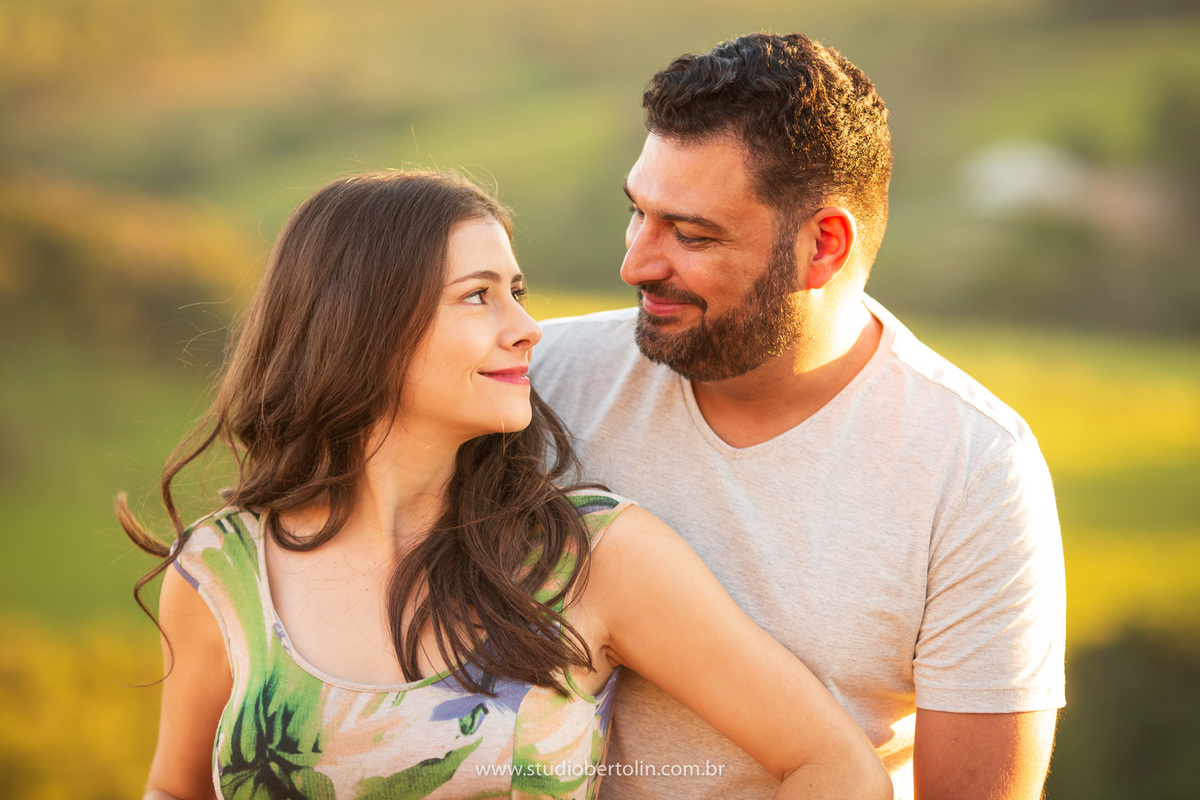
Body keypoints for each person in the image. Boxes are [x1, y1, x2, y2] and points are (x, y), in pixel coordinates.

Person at [116, 169, 891, 800]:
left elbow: (839, 771)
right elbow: (175, 790)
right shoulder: (220, 571)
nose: (526, 327)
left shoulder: (589, 558)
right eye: (479, 296)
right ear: (364, 327)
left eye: (516, 291)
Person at [531, 32, 1066, 800]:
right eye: (637, 214)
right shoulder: (540, 378)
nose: (637, 264)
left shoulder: (974, 467)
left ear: (824, 247)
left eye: (690, 234)